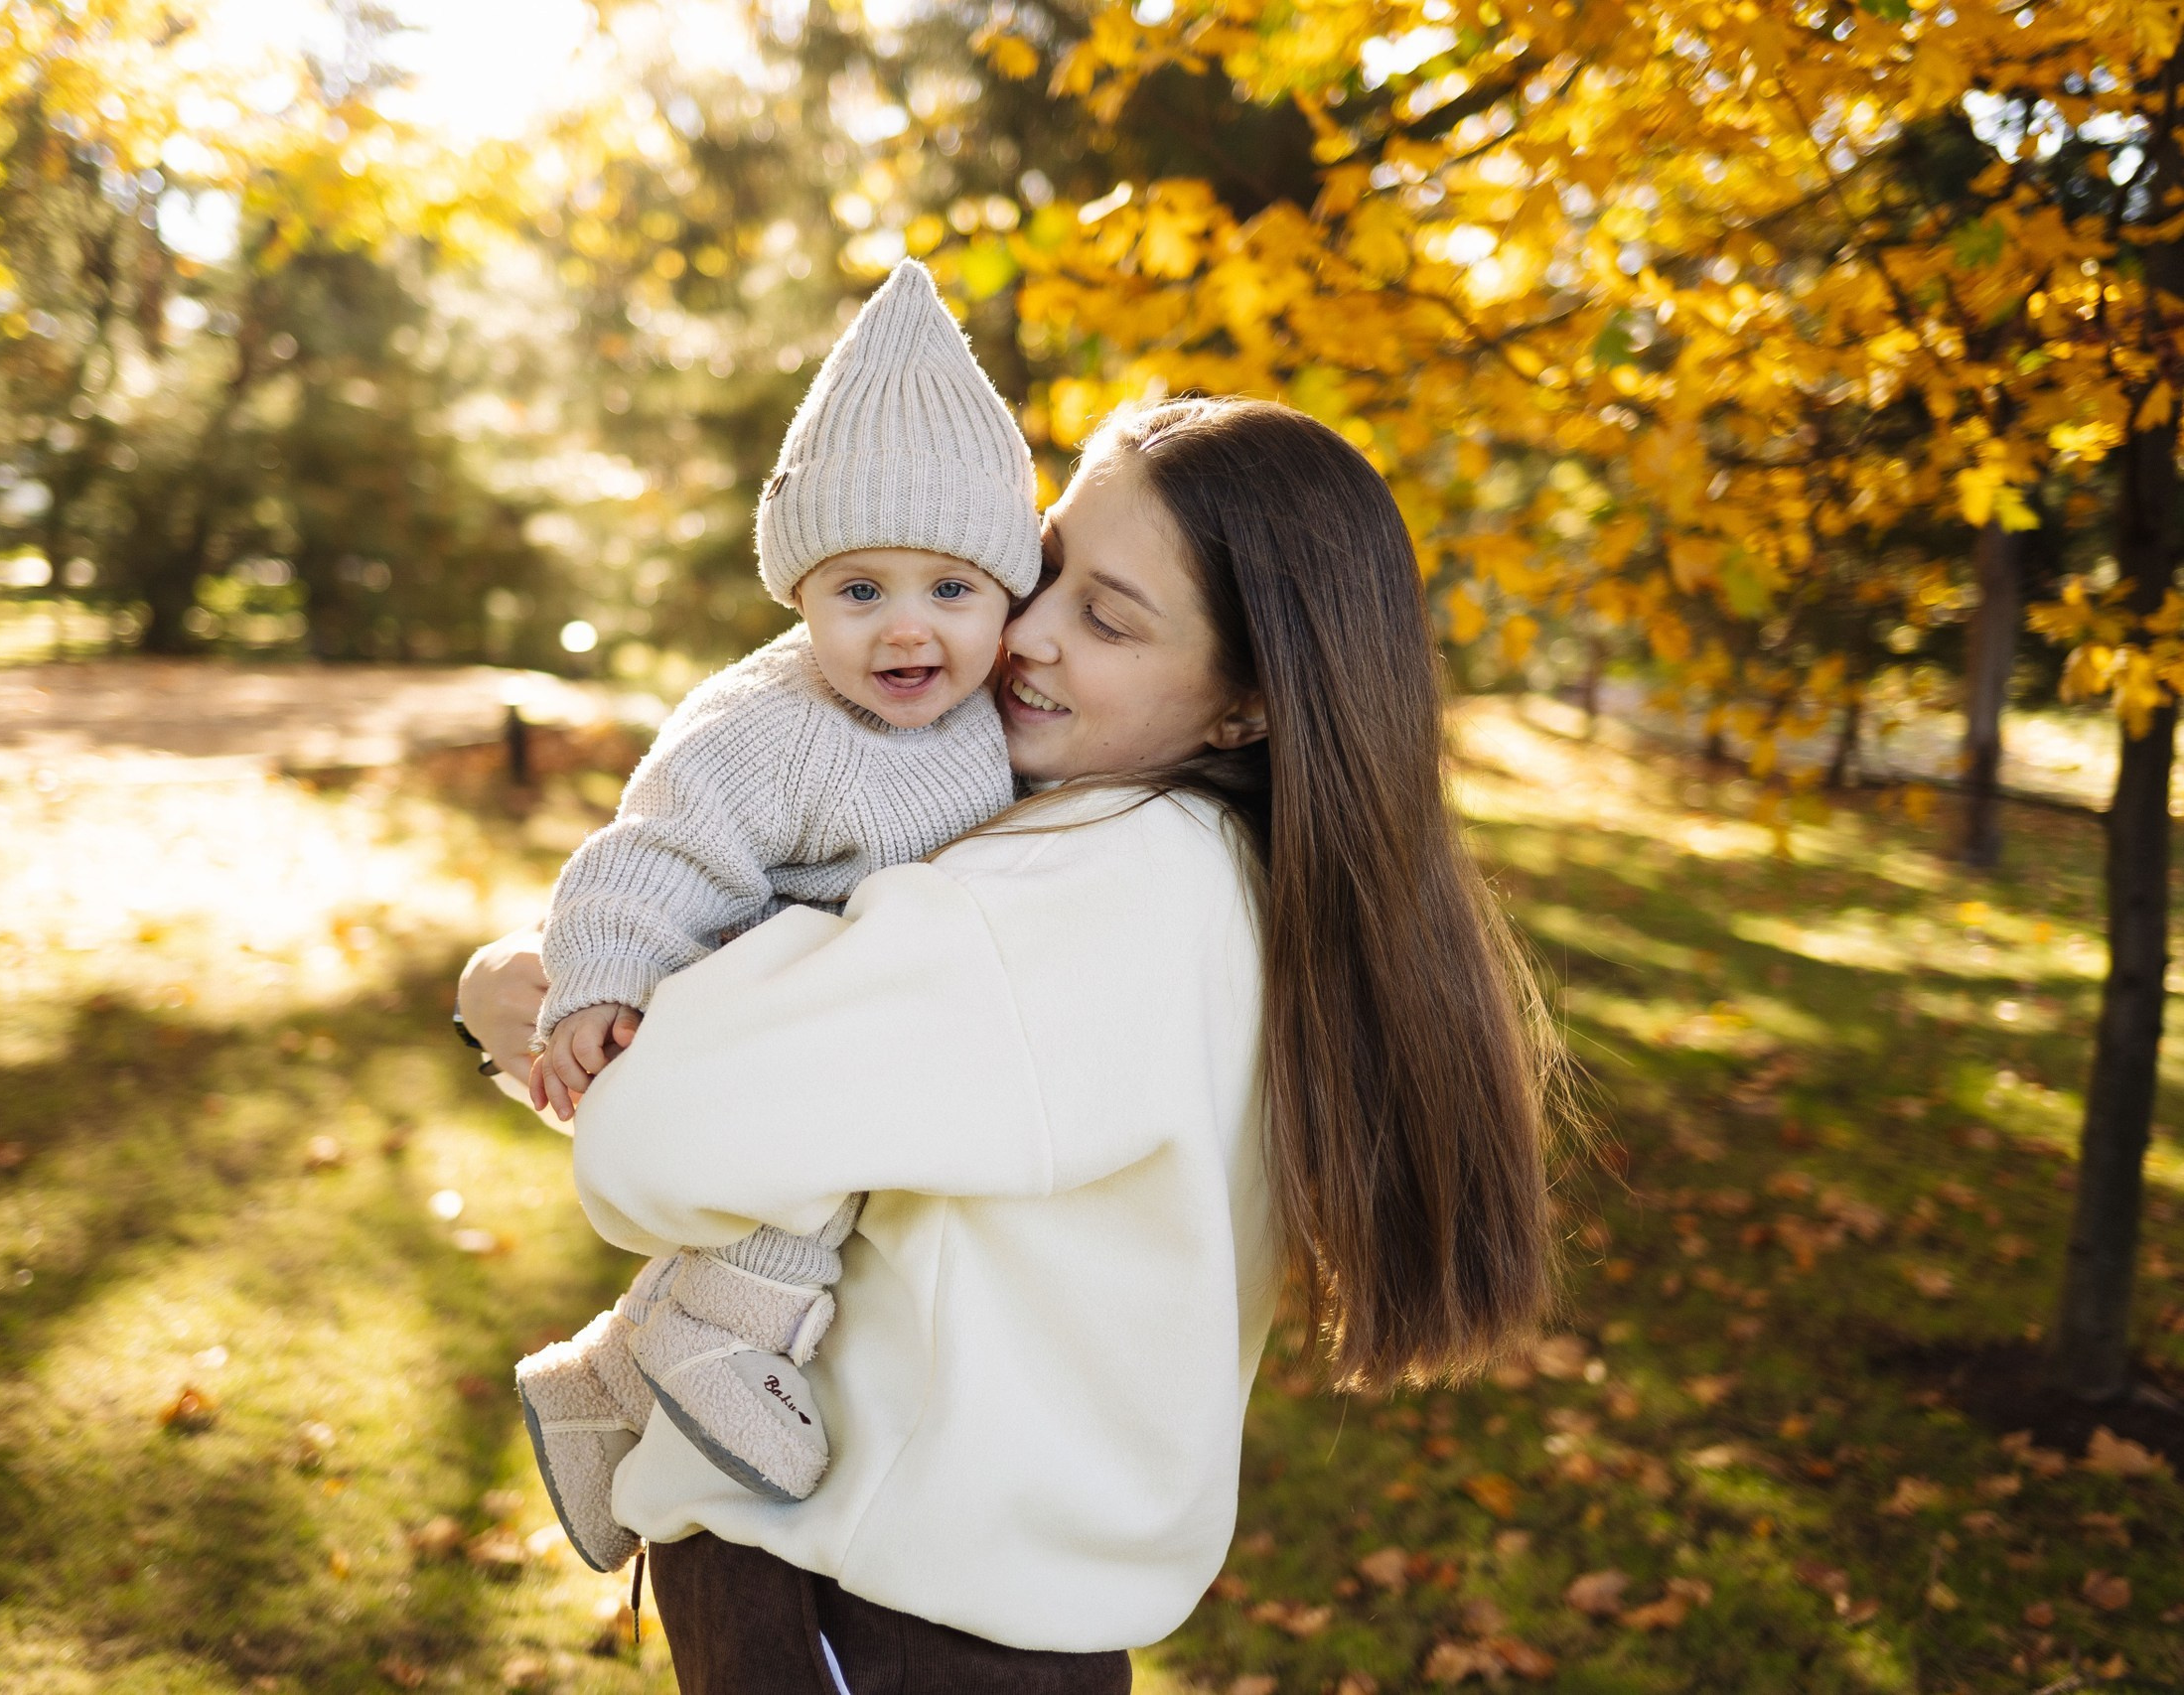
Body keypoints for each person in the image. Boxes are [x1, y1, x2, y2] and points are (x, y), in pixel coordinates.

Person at [462, 396, 1558, 1693]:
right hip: (986, 1615)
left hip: (867, 1606)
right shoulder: (1240, 875)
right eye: (1042, 568)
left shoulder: (1081, 898)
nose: (1023, 632)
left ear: (1247, 705)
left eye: (1107, 616)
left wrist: (524, 1003)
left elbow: (661, 1141)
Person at [513, 257, 1044, 1571]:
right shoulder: (773, 728)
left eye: (951, 588)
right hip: (757, 984)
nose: (904, 629)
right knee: (819, 1132)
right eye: (859, 590)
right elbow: (655, 852)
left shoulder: (1002, 713)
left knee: (861, 1106)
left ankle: (598, 1391)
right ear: (798, 595)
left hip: (875, 986)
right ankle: (721, 1335)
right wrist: (599, 977)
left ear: (1007, 596)